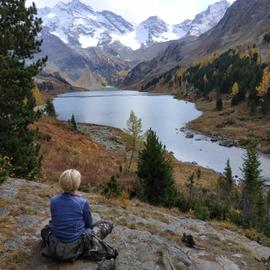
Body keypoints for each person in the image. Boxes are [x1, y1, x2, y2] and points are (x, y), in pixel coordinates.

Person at [41, 169, 118, 269]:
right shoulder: (82, 202)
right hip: (75, 247)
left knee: (46, 228)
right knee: (105, 224)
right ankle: (90, 252)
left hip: (55, 245)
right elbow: (89, 224)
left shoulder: (54, 200)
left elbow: (55, 219)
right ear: (77, 184)